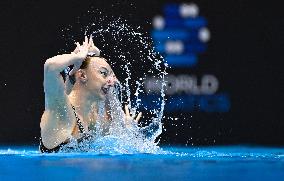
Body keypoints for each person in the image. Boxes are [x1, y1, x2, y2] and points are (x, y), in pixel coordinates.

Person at [40, 36, 142, 153]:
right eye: (103, 73)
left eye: (111, 76)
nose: (112, 81)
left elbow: (115, 139)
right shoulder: (61, 112)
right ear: (83, 76)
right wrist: (77, 58)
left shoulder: (93, 116)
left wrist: (127, 129)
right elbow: (50, 66)